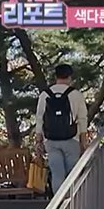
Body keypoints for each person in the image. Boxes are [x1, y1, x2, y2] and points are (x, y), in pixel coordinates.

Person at [35, 64, 88, 193]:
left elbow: (39, 118)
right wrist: (83, 142)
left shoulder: (45, 94)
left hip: (51, 140)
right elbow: (82, 119)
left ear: (56, 77)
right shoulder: (76, 95)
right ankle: (72, 202)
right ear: (70, 77)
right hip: (71, 139)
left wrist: (38, 140)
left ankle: (58, 203)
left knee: (57, 174)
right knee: (72, 174)